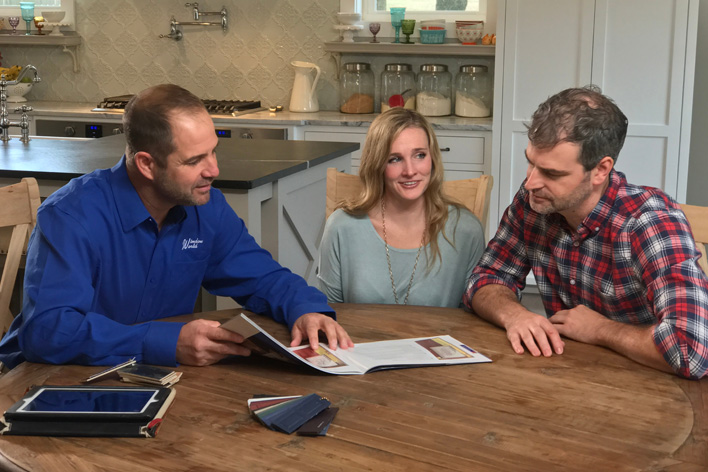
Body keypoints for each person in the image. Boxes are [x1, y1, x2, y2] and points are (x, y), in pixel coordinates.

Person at [0, 84, 353, 370]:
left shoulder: (206, 207)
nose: (213, 170)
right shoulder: (70, 216)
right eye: (195, 160)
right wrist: (168, 342)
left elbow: (263, 277)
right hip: (49, 382)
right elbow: (48, 332)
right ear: (147, 164)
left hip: (149, 379)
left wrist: (306, 308)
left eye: (213, 151)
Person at [464, 85, 708, 379]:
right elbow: (485, 278)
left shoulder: (649, 221)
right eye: (530, 162)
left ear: (601, 170)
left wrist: (601, 330)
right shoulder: (536, 202)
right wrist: (514, 313)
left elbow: (691, 351)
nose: (530, 182)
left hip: (656, 388)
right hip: (573, 376)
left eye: (552, 173)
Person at [318, 107, 485, 307]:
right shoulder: (341, 227)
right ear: (377, 164)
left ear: (433, 159)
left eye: (420, 155)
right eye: (395, 159)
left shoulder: (466, 230)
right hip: (358, 338)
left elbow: (472, 322)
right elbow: (329, 314)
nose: (410, 171)